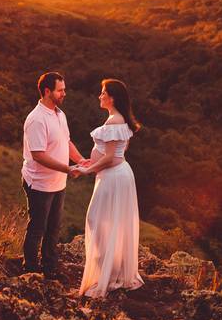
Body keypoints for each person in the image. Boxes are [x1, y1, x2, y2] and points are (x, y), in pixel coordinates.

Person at [73, 78, 144, 297]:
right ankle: (112, 271)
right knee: (110, 222)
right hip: (116, 174)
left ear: (112, 97)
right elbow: (113, 154)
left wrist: (87, 170)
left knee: (98, 220)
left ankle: (108, 275)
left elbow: (112, 156)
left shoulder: (115, 121)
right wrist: (90, 163)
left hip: (113, 176)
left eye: (103, 93)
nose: (99, 96)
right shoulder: (118, 119)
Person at [21, 71, 85, 278]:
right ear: (47, 91)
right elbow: (38, 155)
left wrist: (81, 161)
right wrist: (68, 169)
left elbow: (66, 142)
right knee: (38, 228)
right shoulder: (36, 119)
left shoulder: (60, 114)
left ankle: (49, 268)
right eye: (60, 90)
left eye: (64, 90)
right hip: (39, 184)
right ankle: (30, 269)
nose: (64, 94)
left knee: (54, 228)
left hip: (58, 182)